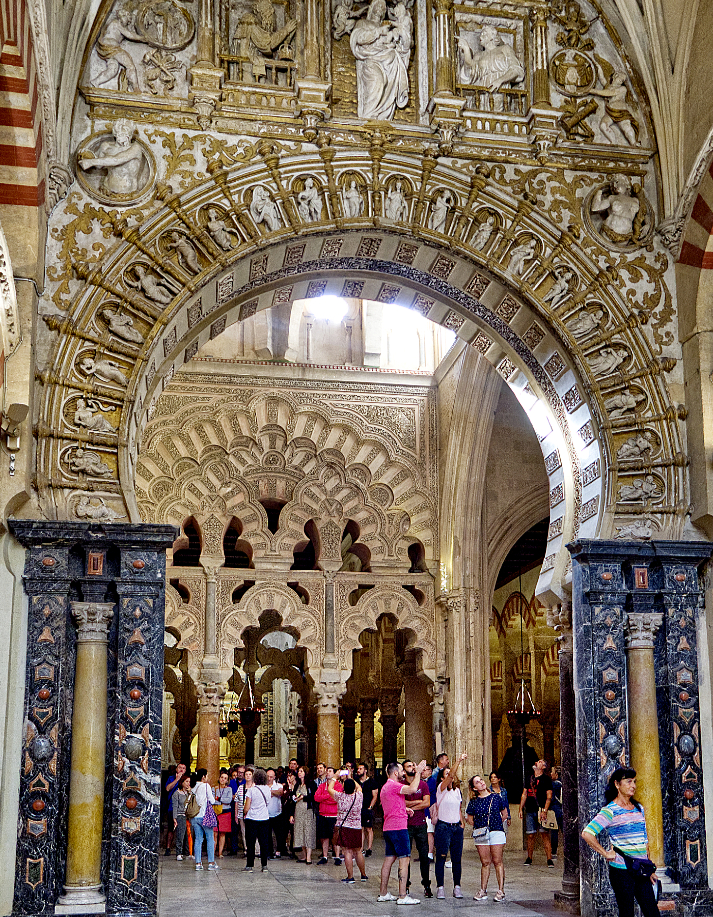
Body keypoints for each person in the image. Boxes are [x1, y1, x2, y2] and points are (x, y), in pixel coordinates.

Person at [582, 767, 659, 917]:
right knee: (626, 912)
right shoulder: (609, 811)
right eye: (629, 782)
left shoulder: (639, 808)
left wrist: (649, 869)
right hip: (621, 871)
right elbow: (587, 833)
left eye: (634, 782)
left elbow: (644, 841)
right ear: (617, 784)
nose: (633, 786)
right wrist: (605, 853)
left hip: (641, 870)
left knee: (652, 912)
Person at [376, 759, 427, 905]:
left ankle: (383, 893)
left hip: (389, 827)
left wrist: (404, 809)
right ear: (396, 772)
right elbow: (412, 789)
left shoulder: (385, 787)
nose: (404, 772)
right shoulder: (393, 785)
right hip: (398, 827)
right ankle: (403, 895)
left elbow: (391, 805)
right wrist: (418, 772)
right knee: (404, 859)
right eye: (402, 770)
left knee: (389, 859)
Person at [466, 775, 508, 902]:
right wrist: (481, 826)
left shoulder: (496, 797)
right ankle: (483, 890)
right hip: (481, 832)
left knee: (497, 860)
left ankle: (501, 890)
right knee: (485, 862)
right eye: (477, 782)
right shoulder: (474, 802)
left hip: (496, 831)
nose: (481, 783)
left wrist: (496, 823)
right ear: (474, 788)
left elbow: (505, 813)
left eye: (481, 780)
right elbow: (469, 818)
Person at [434, 752, 467, 899]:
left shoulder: (457, 791)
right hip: (443, 827)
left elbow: (458, 808)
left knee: (456, 858)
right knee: (441, 857)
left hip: (456, 827)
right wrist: (458, 760)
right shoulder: (441, 789)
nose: (451, 776)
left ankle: (457, 886)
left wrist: (461, 822)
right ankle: (440, 887)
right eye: (447, 774)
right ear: (442, 778)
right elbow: (451, 774)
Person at [327, 775, 367, 883]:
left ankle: (350, 877)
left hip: (344, 827)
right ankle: (363, 875)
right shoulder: (358, 796)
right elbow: (359, 788)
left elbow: (329, 789)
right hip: (356, 827)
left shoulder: (340, 796)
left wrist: (334, 778)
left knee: (347, 851)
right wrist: (350, 777)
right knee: (358, 851)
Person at [404, 760, 432, 898]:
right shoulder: (401, 785)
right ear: (404, 770)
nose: (413, 768)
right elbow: (401, 802)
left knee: (424, 855)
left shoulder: (423, 784)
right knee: (406, 856)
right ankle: (406, 884)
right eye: (409, 766)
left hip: (420, 823)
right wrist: (416, 802)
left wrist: (410, 808)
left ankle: (426, 884)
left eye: (414, 765)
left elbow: (426, 803)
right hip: (406, 824)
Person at [519, 758, 554, 867]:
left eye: (540, 762)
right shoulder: (529, 778)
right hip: (530, 809)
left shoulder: (547, 779)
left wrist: (545, 810)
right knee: (530, 835)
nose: (537, 762)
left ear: (543, 767)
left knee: (545, 834)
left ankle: (549, 859)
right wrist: (521, 808)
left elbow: (549, 797)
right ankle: (529, 858)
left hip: (541, 810)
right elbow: (524, 794)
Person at [244, 766, 272, 872]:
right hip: (264, 818)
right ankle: (264, 865)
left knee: (250, 843)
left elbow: (247, 807)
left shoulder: (251, 790)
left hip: (252, 819)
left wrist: (244, 812)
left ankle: (249, 865)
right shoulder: (268, 790)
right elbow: (268, 803)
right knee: (264, 842)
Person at [191, 768, 218, 870]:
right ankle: (211, 863)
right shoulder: (205, 786)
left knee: (198, 840)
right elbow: (212, 800)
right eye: (207, 775)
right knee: (210, 839)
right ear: (203, 777)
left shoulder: (193, 786)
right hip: (204, 816)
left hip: (194, 816)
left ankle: (198, 863)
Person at [314, 766, 343, 864]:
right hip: (323, 814)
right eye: (327, 771)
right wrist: (328, 795)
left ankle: (337, 856)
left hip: (334, 815)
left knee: (336, 837)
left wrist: (325, 798)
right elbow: (316, 797)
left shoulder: (339, 785)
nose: (327, 773)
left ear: (335, 774)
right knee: (324, 837)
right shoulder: (322, 786)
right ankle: (325, 856)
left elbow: (336, 799)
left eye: (330, 771)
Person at [292, 765, 317, 863]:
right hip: (298, 810)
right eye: (299, 771)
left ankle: (309, 857)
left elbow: (314, 797)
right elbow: (293, 797)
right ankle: (304, 854)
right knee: (300, 832)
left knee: (308, 831)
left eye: (301, 771)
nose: (299, 773)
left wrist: (303, 797)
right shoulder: (297, 785)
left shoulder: (311, 784)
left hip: (308, 810)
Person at [355, 762, 378, 857]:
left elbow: (375, 795)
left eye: (360, 769)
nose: (358, 770)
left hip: (367, 808)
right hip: (358, 807)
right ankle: (361, 848)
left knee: (369, 828)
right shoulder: (356, 781)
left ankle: (369, 848)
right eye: (358, 768)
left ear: (365, 770)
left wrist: (370, 807)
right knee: (361, 828)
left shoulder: (372, 782)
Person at [164, 763, 186, 855]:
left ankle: (184, 849)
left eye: (183, 768)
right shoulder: (171, 778)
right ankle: (168, 848)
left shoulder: (187, 780)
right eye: (180, 767)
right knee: (171, 829)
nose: (181, 769)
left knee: (183, 829)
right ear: (176, 769)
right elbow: (168, 788)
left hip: (184, 808)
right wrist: (177, 779)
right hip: (172, 807)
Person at [213, 769, 234, 858]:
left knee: (222, 833)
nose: (223, 779)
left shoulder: (229, 789)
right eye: (222, 777)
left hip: (225, 812)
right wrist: (220, 800)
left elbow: (228, 800)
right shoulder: (213, 788)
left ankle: (220, 852)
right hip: (215, 812)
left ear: (227, 780)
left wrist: (219, 799)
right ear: (219, 778)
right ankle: (213, 852)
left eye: (225, 778)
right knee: (214, 833)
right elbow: (212, 800)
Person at [172, 772, 192, 861]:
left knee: (189, 835)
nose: (188, 783)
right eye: (187, 781)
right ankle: (179, 852)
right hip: (180, 815)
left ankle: (188, 852)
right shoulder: (177, 793)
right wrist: (174, 818)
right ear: (182, 782)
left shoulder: (189, 793)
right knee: (180, 834)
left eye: (189, 781)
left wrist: (190, 792)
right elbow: (175, 806)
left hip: (188, 815)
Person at [266, 768, 285, 857]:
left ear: (274, 777)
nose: (269, 778)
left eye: (271, 777)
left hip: (277, 813)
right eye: (268, 776)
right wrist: (274, 793)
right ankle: (269, 851)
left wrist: (270, 792)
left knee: (279, 834)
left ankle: (279, 850)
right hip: (266, 814)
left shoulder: (278, 785)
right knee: (267, 834)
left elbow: (280, 792)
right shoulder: (263, 785)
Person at [550, 766, 563, 858]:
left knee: (554, 830)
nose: (550, 774)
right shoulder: (565, 783)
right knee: (564, 831)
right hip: (564, 809)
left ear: (556, 774)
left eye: (552, 772)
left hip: (556, 808)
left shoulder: (554, 784)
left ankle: (553, 852)